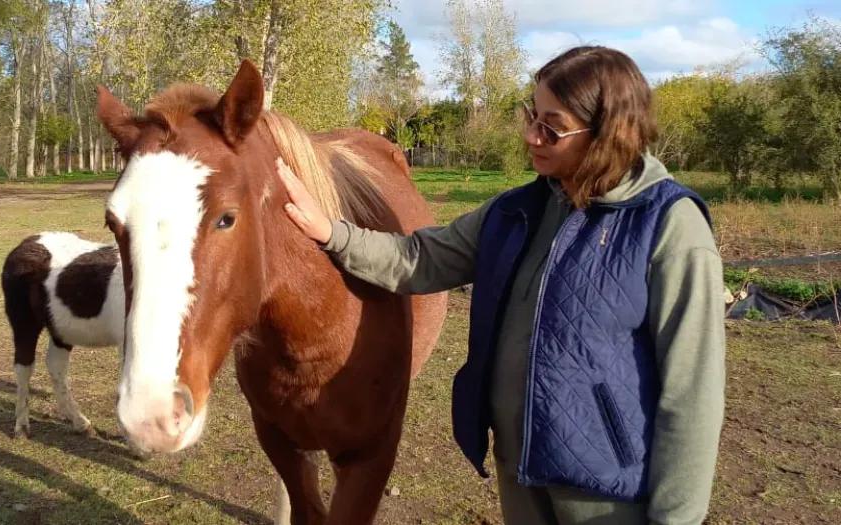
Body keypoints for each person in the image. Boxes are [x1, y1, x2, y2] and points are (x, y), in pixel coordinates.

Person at [276, 46, 725, 525]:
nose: (532, 135)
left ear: (608, 131)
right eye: (532, 114)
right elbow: (419, 258)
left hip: (606, 493)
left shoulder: (669, 225)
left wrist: (677, 518)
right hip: (521, 469)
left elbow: (692, 392)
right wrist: (330, 231)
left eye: (552, 126)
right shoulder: (517, 211)